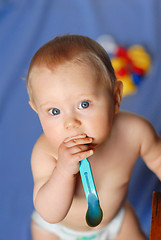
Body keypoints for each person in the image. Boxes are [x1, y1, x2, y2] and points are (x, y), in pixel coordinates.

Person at [26, 34, 161, 240]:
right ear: (37, 112)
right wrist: (63, 171)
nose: (70, 123)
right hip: (57, 230)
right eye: (54, 111)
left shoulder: (135, 132)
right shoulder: (45, 153)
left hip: (115, 221)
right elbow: (50, 213)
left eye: (84, 104)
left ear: (115, 98)